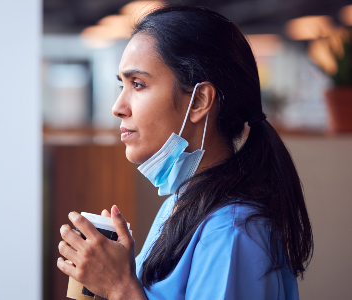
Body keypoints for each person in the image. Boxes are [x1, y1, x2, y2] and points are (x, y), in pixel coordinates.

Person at [56, 6, 313, 300]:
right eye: (122, 85)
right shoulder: (181, 204)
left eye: (137, 84)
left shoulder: (233, 233)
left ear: (200, 100)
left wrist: (120, 288)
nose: (118, 107)